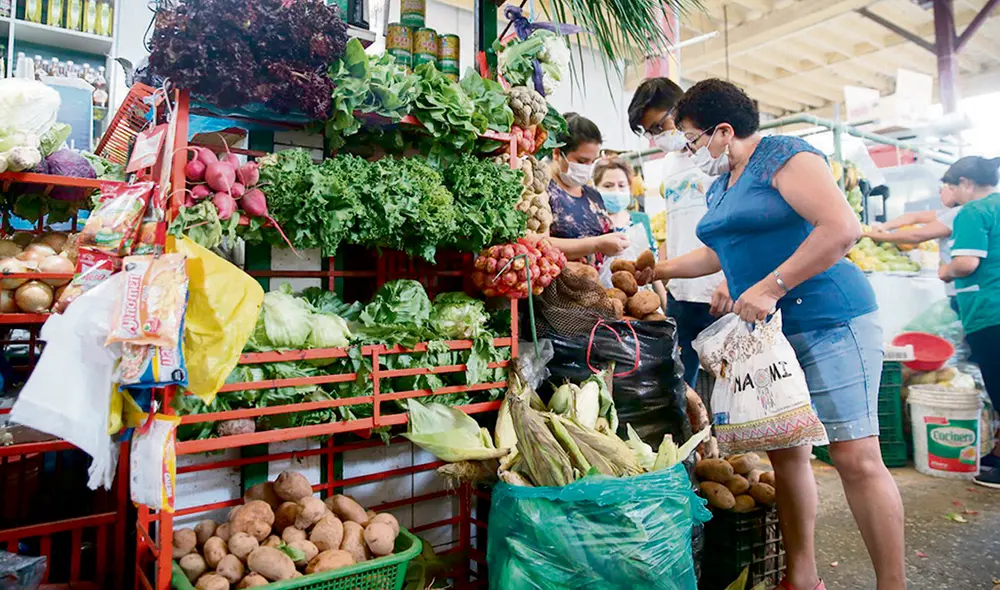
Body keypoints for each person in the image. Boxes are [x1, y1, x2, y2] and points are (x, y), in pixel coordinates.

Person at [655, 78, 904, 590]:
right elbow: (719, 251)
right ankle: (803, 577)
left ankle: (892, 583)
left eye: (694, 138)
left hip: (832, 320)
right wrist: (659, 271)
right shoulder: (722, 184)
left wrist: (771, 285)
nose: (692, 150)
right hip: (771, 338)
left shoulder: (784, 156)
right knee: (787, 456)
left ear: (724, 131)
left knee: (854, 456)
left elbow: (840, 227)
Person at [628, 76, 724, 387]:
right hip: (683, 294)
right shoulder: (668, 165)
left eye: (659, 126)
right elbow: (676, 224)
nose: (657, 137)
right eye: (650, 132)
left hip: (722, 290)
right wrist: (664, 276)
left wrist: (731, 280)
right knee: (683, 385)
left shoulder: (716, 155)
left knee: (737, 385)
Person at [936, 156, 1000, 487]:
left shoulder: (974, 211)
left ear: (965, 183)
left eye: (950, 186)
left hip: (991, 311)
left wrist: (945, 270)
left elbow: (966, 263)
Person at [545, 113, 629, 265]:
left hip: (599, 284)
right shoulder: (543, 193)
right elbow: (538, 243)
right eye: (582, 161)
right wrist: (596, 244)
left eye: (593, 162)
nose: (587, 168)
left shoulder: (593, 196)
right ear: (557, 153)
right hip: (562, 285)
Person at [864, 193, 961, 312]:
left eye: (948, 187)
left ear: (963, 185)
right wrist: (884, 226)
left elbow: (917, 235)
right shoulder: (951, 212)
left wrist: (873, 235)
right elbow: (915, 217)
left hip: (961, 288)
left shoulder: (960, 213)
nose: (942, 192)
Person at [592, 157, 667, 307]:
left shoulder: (641, 220)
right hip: (603, 303)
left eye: (621, 185)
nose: (616, 191)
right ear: (595, 188)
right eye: (608, 186)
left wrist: (664, 305)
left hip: (641, 301)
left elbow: (652, 268)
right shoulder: (591, 223)